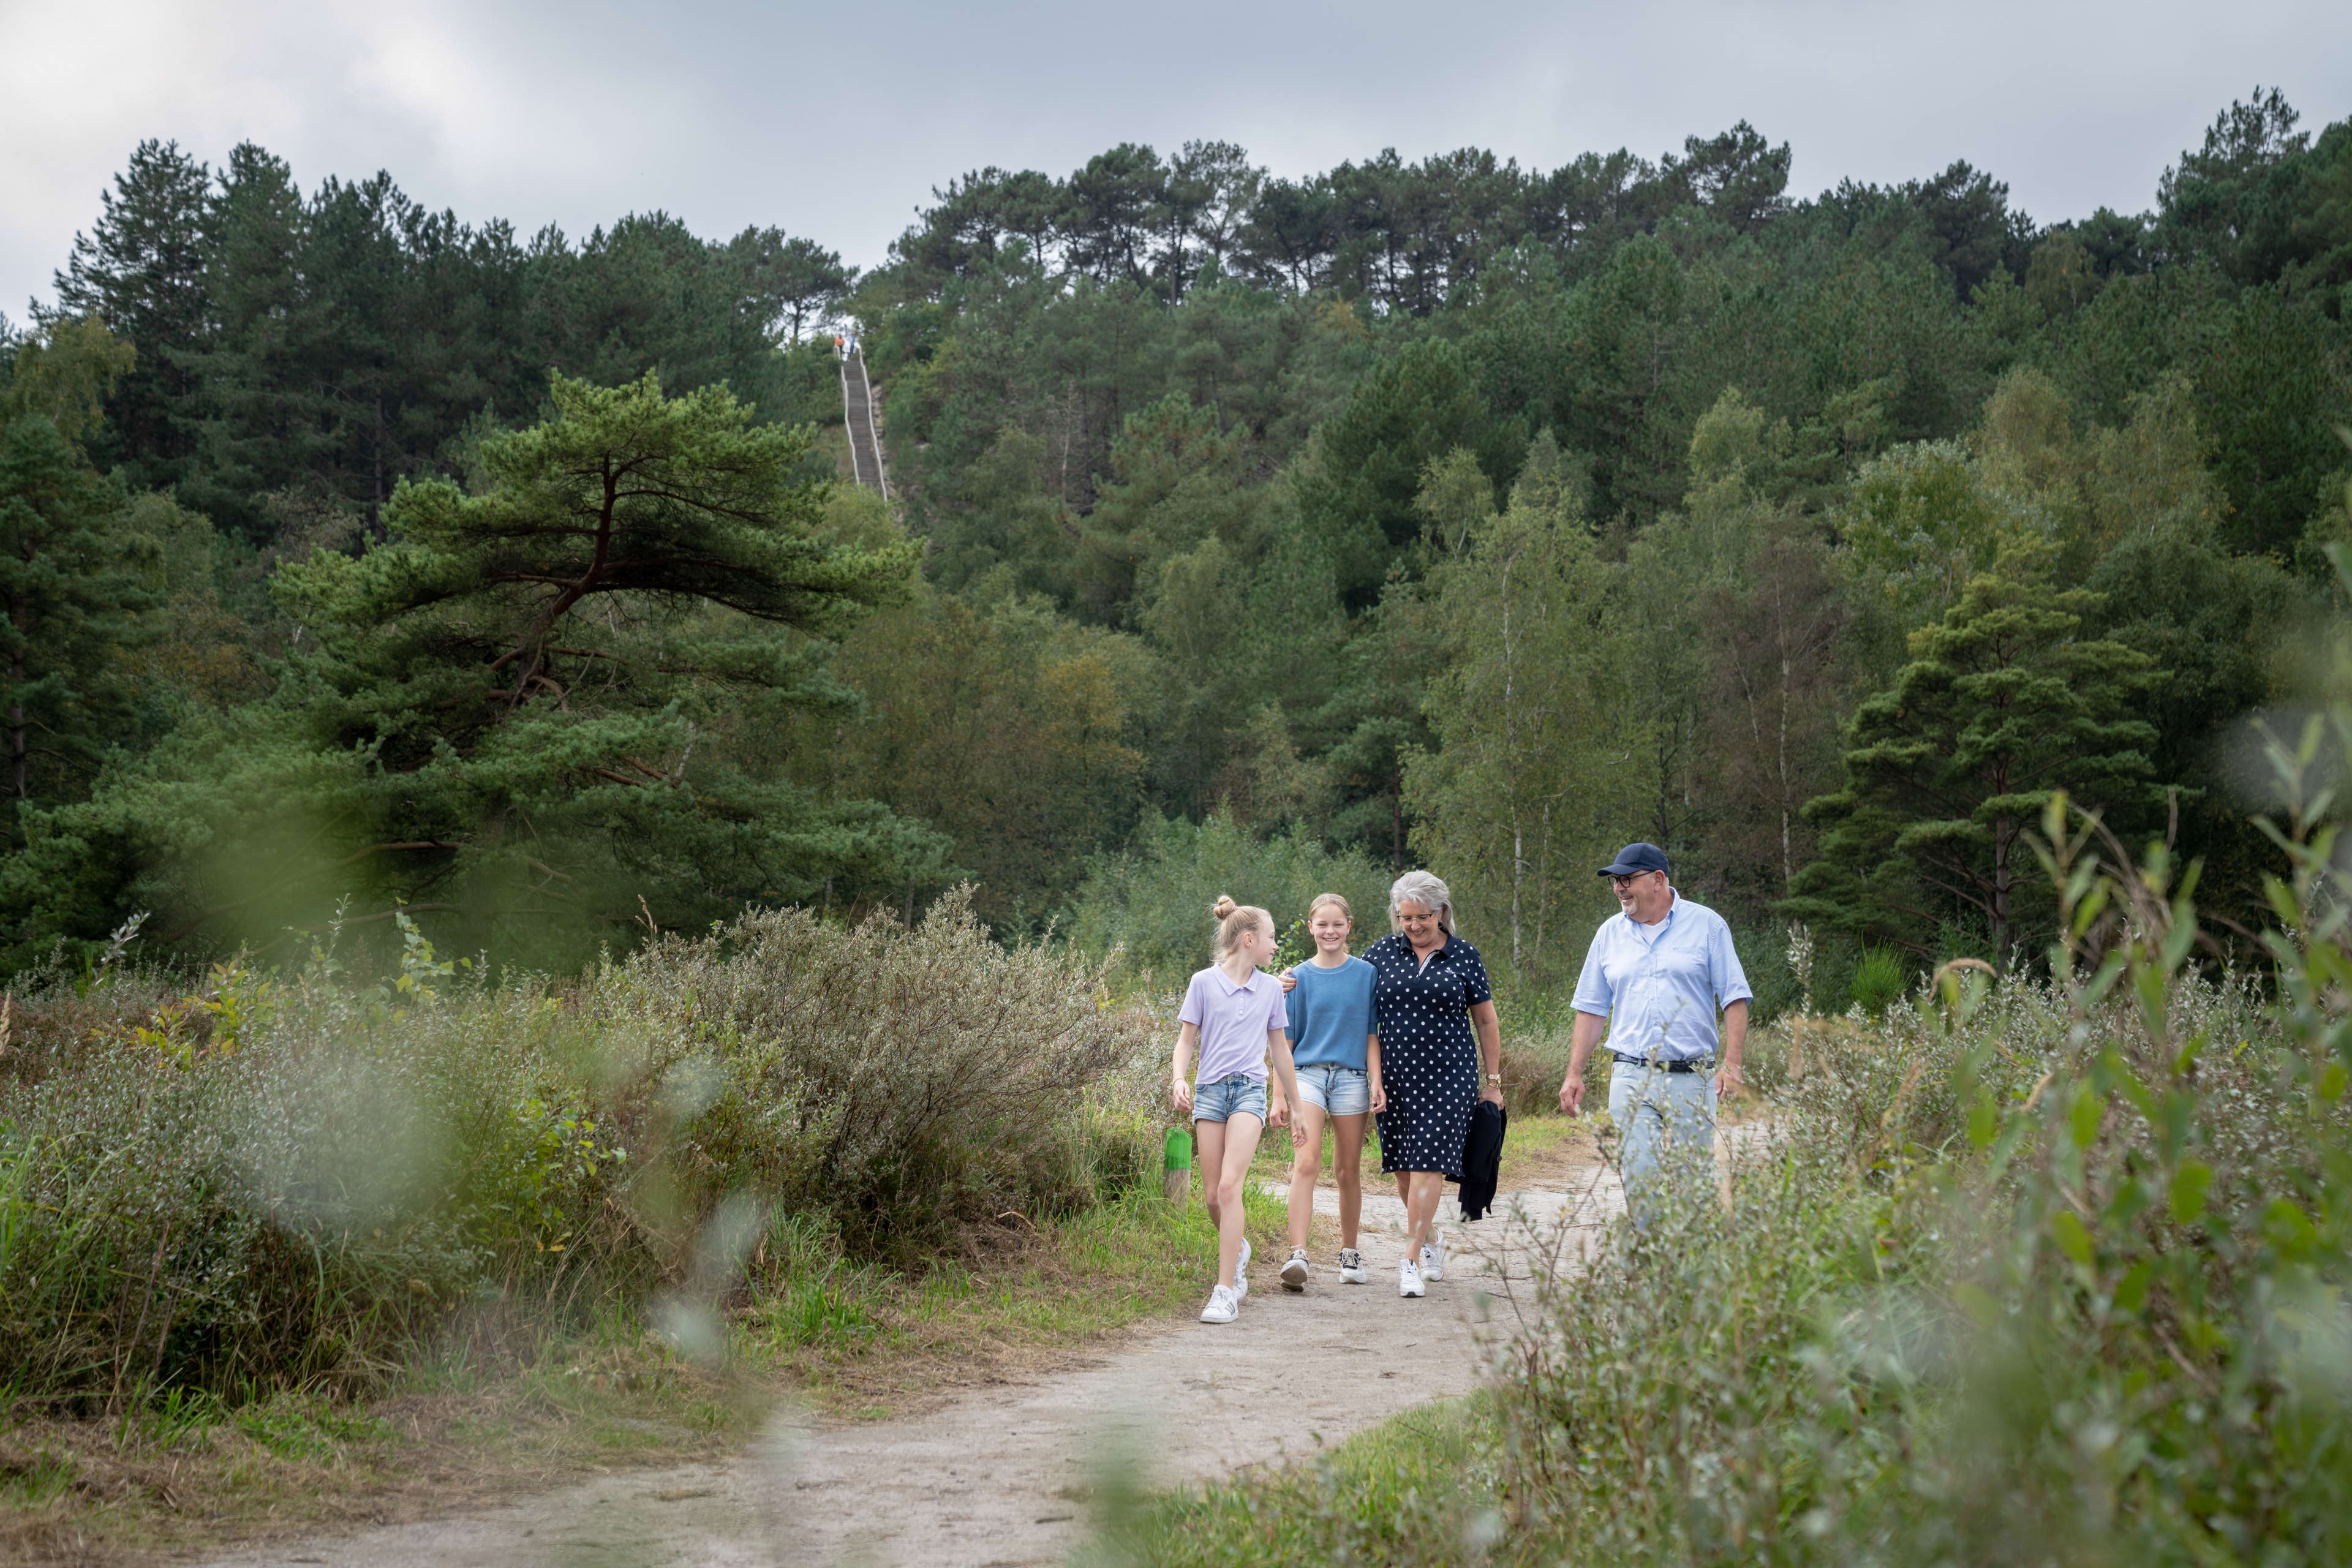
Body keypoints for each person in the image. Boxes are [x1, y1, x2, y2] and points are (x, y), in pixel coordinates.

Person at [1556, 842, 1752, 1210]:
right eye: (1615, 881)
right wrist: (1574, 1073)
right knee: (1640, 1175)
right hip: (1630, 1074)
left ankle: (1687, 1263)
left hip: (1692, 1077)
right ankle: (1650, 1263)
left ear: (1658, 880)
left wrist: (1733, 1063)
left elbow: (1735, 998)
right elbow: (1591, 1009)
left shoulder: (1707, 926)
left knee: (1690, 1182)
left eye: (1627, 879)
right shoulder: (1608, 935)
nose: (1618, 888)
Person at [1365, 870, 1502, 1298]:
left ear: (1441, 912)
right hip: (1395, 1079)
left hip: (1450, 1077)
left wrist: (1493, 1081)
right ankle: (1430, 1241)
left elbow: (1485, 1019)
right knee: (1404, 1171)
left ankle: (1407, 1260)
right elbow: (1344, 988)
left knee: (1430, 1165)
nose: (1413, 926)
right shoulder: (1381, 954)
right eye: (1405, 917)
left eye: (1422, 917)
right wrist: (1291, 983)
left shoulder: (1464, 956)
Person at [1172, 895, 1304, 1324]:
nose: (1274, 945)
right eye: (1270, 937)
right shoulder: (1203, 983)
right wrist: (1179, 1078)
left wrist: (1295, 1106)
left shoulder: (1270, 989)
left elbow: (1280, 1053)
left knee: (1230, 1188)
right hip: (1210, 1092)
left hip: (1249, 1091)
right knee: (1212, 1197)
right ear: (1248, 939)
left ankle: (1225, 1290)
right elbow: (1186, 1040)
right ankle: (1240, 1248)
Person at [1267, 893, 1385, 1291]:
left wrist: (1376, 1080)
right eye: (1322, 924)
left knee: (1348, 1171)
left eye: (1338, 924)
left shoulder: (1366, 974)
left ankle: (1349, 1252)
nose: (1330, 931)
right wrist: (1278, 1096)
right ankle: (1298, 1253)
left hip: (1352, 1078)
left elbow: (1372, 1033)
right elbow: (1283, 1042)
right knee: (1306, 1163)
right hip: (1307, 1077)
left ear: (1349, 926)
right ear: (1310, 928)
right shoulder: (1296, 978)